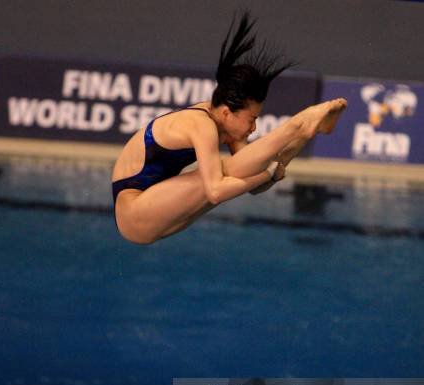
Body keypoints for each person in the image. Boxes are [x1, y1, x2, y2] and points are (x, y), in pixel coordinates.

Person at [112, 11, 347, 244]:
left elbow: (253, 183)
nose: (253, 128)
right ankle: (296, 124)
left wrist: (276, 167)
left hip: (155, 211)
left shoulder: (224, 125)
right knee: (224, 173)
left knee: (240, 170)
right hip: (134, 214)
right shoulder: (201, 125)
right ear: (226, 112)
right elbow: (215, 191)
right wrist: (268, 174)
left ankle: (306, 131)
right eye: (251, 119)